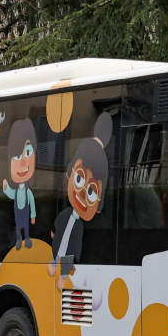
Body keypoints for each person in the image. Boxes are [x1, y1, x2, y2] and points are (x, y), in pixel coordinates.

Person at [52, 112, 112, 277]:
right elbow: (56, 225)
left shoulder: (79, 227)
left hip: (67, 260)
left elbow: (75, 247)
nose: (83, 194)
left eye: (92, 192)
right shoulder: (65, 214)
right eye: (79, 178)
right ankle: (54, 266)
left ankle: (63, 277)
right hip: (55, 255)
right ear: (69, 174)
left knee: (67, 259)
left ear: (99, 205)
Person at [2, 119, 38, 250]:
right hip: (18, 214)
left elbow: (32, 202)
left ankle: (27, 238)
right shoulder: (16, 191)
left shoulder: (28, 191)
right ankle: (19, 239)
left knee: (26, 226)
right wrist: (6, 189)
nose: (23, 163)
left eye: (27, 153)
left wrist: (33, 215)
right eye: (17, 157)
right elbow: (11, 194)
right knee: (19, 226)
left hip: (25, 212)